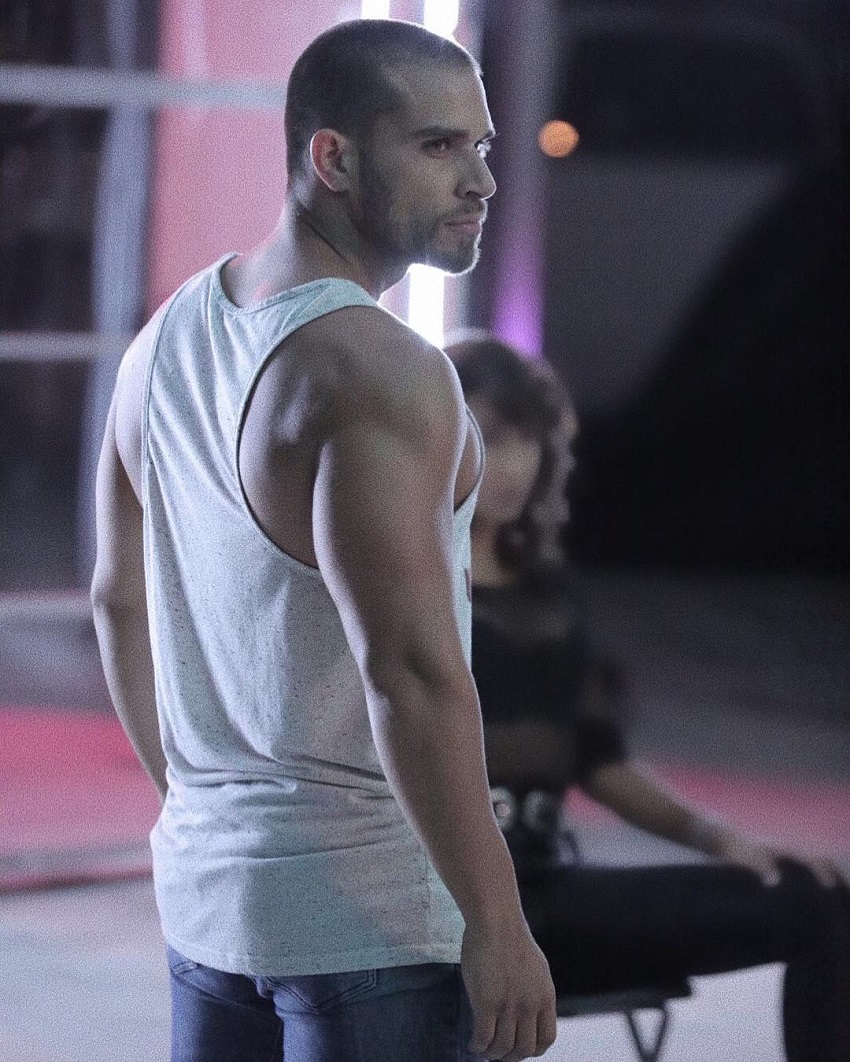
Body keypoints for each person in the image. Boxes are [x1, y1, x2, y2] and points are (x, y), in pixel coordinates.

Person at [90, 21, 556, 1062]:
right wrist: (497, 921)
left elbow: (116, 602)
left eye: (482, 147)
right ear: (332, 157)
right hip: (370, 922)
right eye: (437, 148)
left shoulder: (162, 341)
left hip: (214, 904)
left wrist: (204, 813)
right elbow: (413, 670)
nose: (478, 179)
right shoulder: (376, 367)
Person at [446, 330, 850, 1061]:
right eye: (492, 437)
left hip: (551, 892)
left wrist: (723, 839)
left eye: (527, 441)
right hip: (447, 910)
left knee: (817, 898)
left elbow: (600, 761)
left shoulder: (547, 591)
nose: (511, 465)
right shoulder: (402, 581)